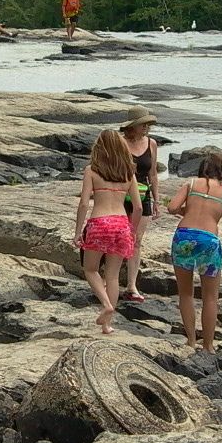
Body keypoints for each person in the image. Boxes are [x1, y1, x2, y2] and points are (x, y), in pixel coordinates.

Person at [166, 152, 222, 354]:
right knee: (210, 297)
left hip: (183, 237)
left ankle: (191, 341)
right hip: (208, 241)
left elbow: (172, 207)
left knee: (185, 293)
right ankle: (208, 346)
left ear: (201, 169)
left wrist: (188, 212)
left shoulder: (191, 184)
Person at [73, 130, 142, 335]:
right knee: (112, 276)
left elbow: (84, 203)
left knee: (90, 269)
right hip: (121, 223)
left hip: (99, 223)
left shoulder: (91, 171)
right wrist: (133, 230)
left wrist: (78, 231)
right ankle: (107, 325)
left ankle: (106, 304)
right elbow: (138, 207)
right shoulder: (128, 173)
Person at [119, 106, 159, 303]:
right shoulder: (120, 143)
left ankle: (131, 285)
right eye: (143, 125)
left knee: (137, 239)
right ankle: (111, 278)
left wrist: (157, 199)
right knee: (120, 237)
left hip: (143, 196)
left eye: (148, 125)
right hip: (122, 196)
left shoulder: (151, 143)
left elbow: (153, 174)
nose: (146, 128)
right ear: (132, 127)